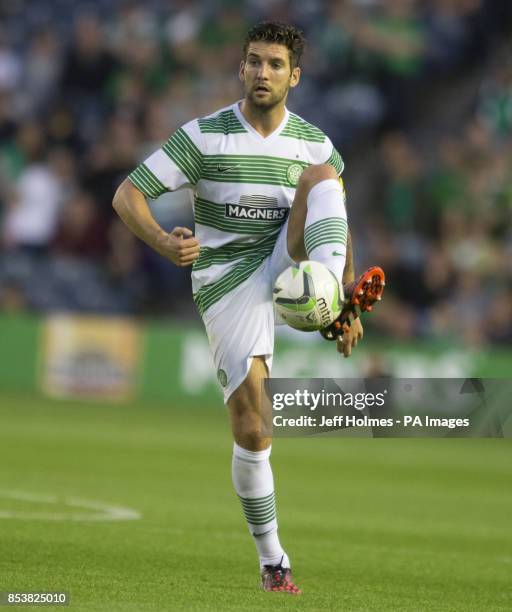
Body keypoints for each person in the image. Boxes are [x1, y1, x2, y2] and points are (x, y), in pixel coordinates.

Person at [112, 21, 384, 594]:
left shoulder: (313, 141)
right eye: (254, 62)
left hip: (287, 260)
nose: (263, 72)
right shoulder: (205, 136)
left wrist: (348, 292)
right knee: (254, 426)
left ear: (295, 76)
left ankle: (333, 298)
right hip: (225, 279)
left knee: (323, 176)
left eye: (275, 64)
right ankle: (274, 561)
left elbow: (334, 212)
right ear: (241, 69)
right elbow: (126, 195)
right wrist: (164, 242)